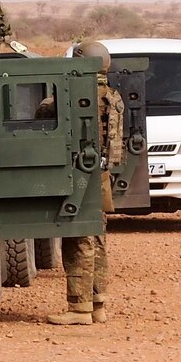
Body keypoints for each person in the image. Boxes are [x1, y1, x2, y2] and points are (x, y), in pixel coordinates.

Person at [45, 41, 126, 326]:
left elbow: (45, 116)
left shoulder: (80, 93)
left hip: (81, 175)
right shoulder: (113, 96)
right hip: (102, 175)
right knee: (97, 238)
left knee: (79, 240)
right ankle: (97, 304)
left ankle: (79, 309)